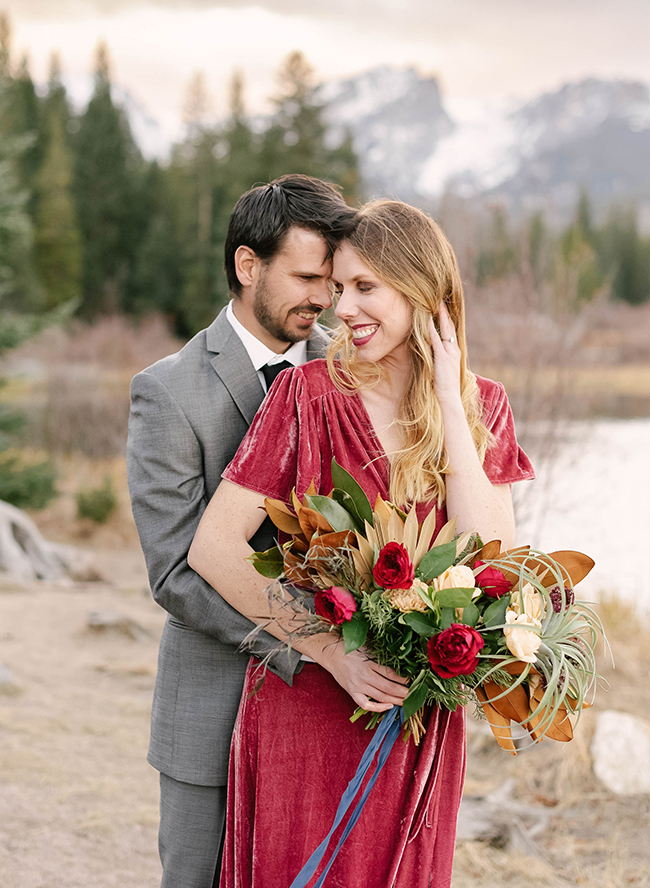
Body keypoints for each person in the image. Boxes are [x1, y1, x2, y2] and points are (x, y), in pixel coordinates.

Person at [189, 200, 535, 887]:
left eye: (365, 288)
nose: (342, 309)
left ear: (422, 291)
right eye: (339, 288)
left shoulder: (481, 404)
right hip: (311, 706)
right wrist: (327, 652)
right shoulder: (305, 395)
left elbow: (491, 557)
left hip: (418, 717)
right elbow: (214, 548)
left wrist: (446, 395)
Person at [126, 174, 358, 888]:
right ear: (248, 265)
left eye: (334, 282)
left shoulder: (353, 370)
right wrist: (309, 648)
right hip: (213, 710)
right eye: (307, 277)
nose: (323, 299)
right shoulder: (168, 391)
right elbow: (175, 574)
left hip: (337, 711)